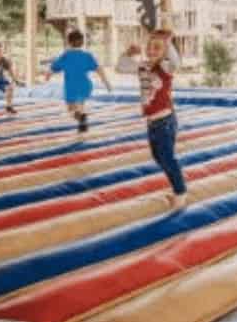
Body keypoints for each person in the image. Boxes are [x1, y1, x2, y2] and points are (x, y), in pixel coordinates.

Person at [117, 29, 187, 209]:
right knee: (158, 157)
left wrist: (168, 42)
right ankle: (177, 188)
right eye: (149, 46)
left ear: (164, 53)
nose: (151, 50)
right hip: (153, 123)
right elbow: (121, 66)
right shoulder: (143, 66)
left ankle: (180, 193)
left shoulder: (165, 68)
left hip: (165, 121)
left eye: (157, 48)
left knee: (167, 158)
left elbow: (175, 61)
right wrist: (127, 53)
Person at [44, 30, 111, 135]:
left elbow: (53, 68)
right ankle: (82, 119)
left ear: (69, 42)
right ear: (82, 42)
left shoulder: (65, 56)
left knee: (70, 110)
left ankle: (81, 118)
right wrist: (106, 82)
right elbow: (99, 68)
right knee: (80, 105)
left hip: (71, 86)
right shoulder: (87, 55)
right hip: (85, 85)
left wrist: (48, 75)